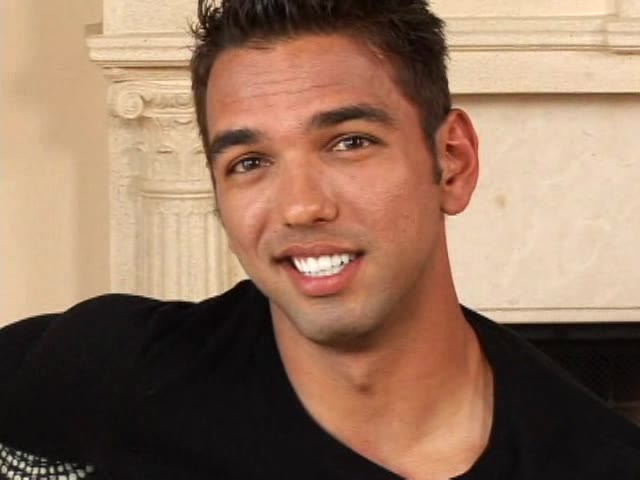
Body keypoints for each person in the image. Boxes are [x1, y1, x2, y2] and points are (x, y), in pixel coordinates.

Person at [1, 0, 639, 479]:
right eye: (250, 161)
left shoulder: (594, 460)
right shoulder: (112, 371)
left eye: (349, 142)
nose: (301, 206)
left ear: (452, 161)